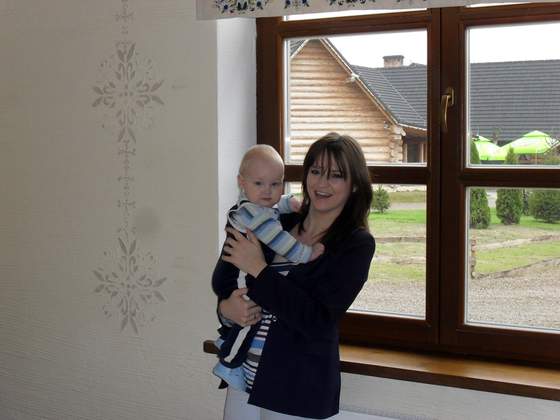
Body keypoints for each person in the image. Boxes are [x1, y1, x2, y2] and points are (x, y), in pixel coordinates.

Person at [212, 132, 375, 419]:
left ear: (355, 185)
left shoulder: (355, 244)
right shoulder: (273, 219)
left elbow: (318, 321)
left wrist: (260, 269)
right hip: (242, 377)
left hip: (295, 388)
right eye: (316, 171)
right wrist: (226, 309)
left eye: (336, 175)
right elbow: (229, 276)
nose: (322, 183)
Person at [213, 144, 325, 391]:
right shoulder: (255, 215)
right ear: (241, 183)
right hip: (237, 277)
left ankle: (227, 345)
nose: (267, 190)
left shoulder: (255, 207)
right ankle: (229, 360)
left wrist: (287, 202)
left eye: (275, 184)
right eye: (259, 183)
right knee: (249, 320)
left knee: (249, 315)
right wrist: (307, 254)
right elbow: (282, 242)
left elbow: (272, 206)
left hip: (287, 381)